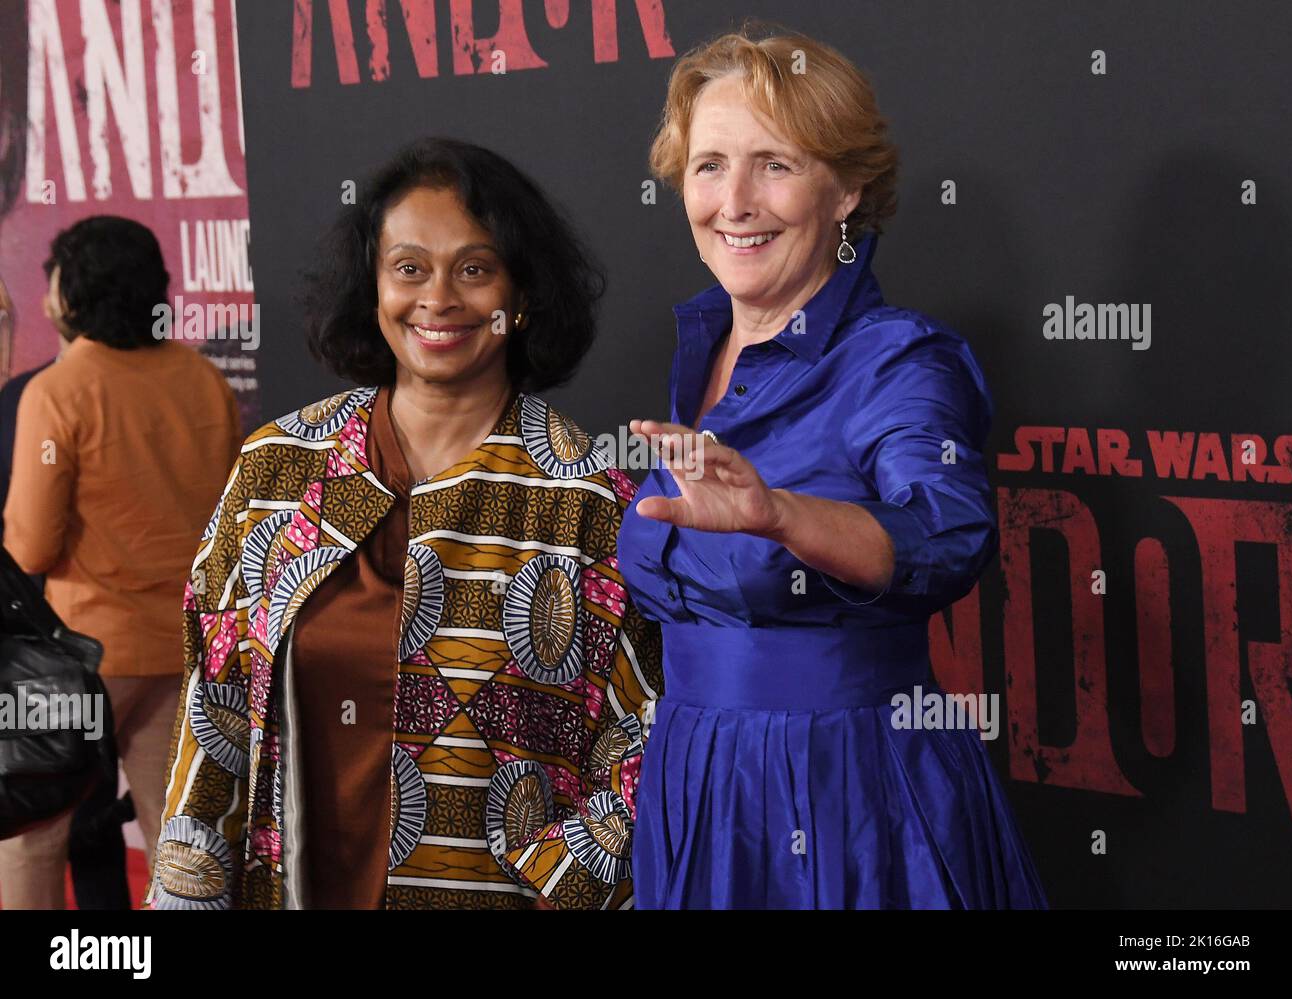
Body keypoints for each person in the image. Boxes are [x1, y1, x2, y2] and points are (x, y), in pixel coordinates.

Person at [147, 137, 663, 910]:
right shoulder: (276, 470)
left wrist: (559, 878)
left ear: (520, 296)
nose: (440, 297)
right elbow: (211, 707)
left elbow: (648, 739)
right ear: (374, 287)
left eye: (476, 268)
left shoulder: (589, 499)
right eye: (410, 267)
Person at [617, 26, 1049, 908]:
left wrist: (780, 515)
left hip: (846, 792)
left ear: (848, 188)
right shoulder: (702, 349)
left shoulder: (898, 360)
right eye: (708, 166)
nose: (734, 200)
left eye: (774, 164)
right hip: (697, 782)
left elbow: (946, 532)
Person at [0, 217, 243, 908]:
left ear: (69, 291)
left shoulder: (59, 390)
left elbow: (32, 547)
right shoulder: (202, 377)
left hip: (84, 652)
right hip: (186, 644)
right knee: (181, 838)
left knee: (31, 836)